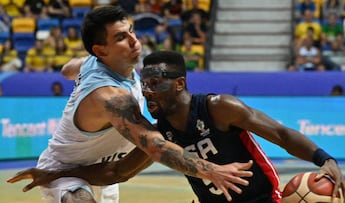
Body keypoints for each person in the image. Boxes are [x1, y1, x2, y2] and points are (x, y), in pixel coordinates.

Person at [8, 51, 345, 203]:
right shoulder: (158, 134)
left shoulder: (219, 108)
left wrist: (324, 158)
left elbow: (282, 134)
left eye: (155, 83)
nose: (146, 91)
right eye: (145, 84)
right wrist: (52, 175)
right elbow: (116, 173)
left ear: (179, 84)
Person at [7, 6, 253, 203]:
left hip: (105, 170)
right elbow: (156, 148)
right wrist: (212, 171)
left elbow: (66, 70)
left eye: (132, 31)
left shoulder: (99, 62)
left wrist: (82, 66)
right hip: (65, 170)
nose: (135, 41)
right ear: (101, 50)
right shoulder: (110, 96)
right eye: (121, 38)